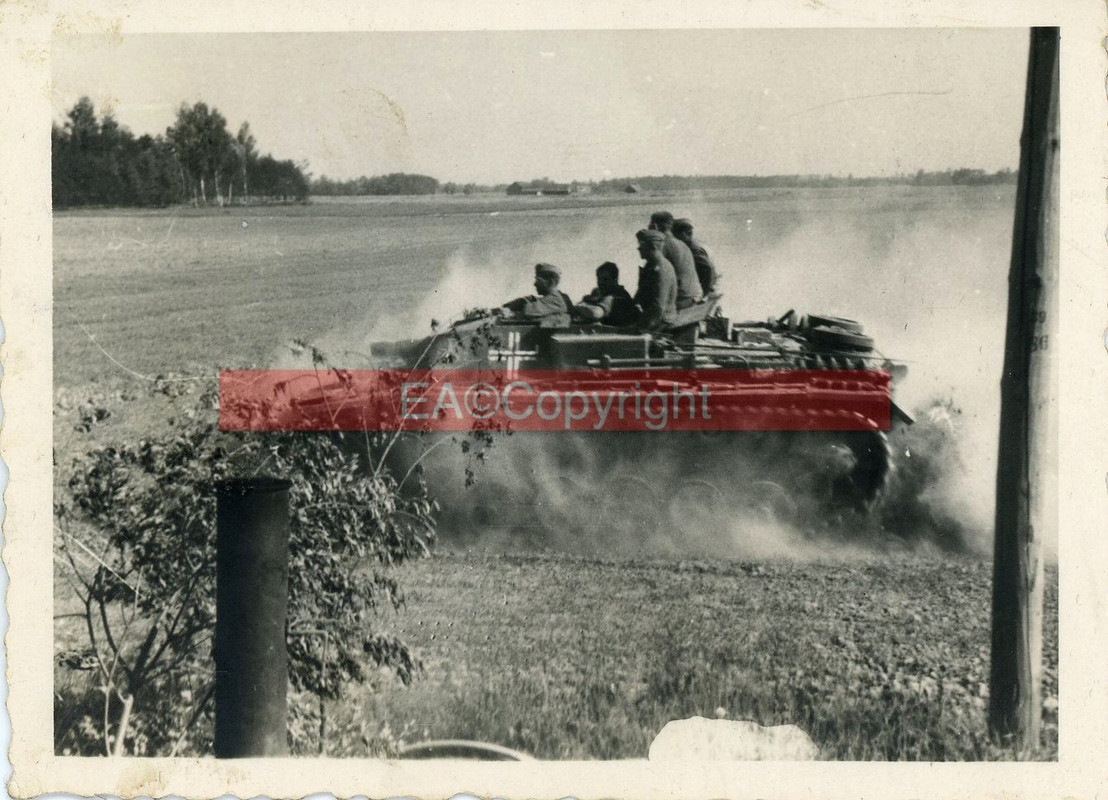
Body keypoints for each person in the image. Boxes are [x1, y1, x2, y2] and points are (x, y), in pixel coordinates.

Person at [649, 211, 702, 309]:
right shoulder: (682, 243)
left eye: (650, 224)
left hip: (681, 300)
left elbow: (655, 276)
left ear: (655, 226)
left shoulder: (661, 245)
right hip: (693, 296)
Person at [500, 262, 571, 328]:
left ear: (550, 282)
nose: (535, 284)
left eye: (538, 280)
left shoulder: (555, 300)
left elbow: (528, 311)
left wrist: (516, 306)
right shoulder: (553, 299)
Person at [632, 229, 677, 331]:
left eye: (641, 244)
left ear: (653, 246)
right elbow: (640, 295)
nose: (638, 248)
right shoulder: (651, 265)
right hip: (652, 319)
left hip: (661, 322)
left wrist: (641, 328)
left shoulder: (662, 267)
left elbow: (659, 306)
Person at [575, 261, 640, 326]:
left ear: (615, 280)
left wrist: (577, 307)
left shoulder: (613, 297)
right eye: (599, 279)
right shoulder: (622, 293)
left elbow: (596, 313)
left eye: (605, 279)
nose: (601, 283)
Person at [672, 218, 719, 295]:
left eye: (675, 235)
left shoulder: (693, 249)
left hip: (706, 290)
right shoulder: (698, 244)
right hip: (712, 285)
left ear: (683, 234)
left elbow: (706, 268)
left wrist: (705, 293)